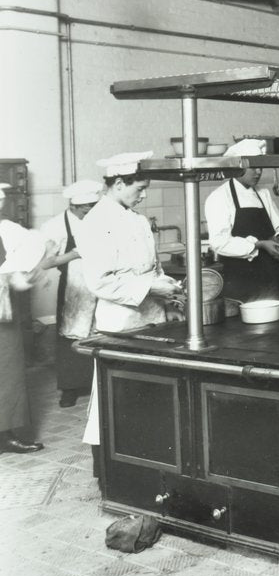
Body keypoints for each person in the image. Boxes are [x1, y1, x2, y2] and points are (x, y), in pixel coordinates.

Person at [78, 152, 183, 451]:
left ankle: (151, 457)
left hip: (152, 318)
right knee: (119, 399)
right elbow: (101, 282)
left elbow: (155, 267)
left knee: (152, 394)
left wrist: (171, 302)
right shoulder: (96, 222)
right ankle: (115, 467)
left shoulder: (137, 219)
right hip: (121, 323)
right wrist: (151, 287)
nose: (145, 195)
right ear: (120, 183)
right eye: (140, 188)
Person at [204, 138, 279, 302]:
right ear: (238, 166)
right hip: (241, 282)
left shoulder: (263, 193)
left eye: (260, 167)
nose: (258, 172)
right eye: (253, 167)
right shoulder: (219, 197)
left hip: (271, 278)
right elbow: (219, 242)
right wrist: (259, 244)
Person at [40, 179, 104, 407]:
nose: (92, 211)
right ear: (74, 206)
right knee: (71, 337)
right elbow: (45, 263)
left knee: (101, 333)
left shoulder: (98, 220)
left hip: (101, 285)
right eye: (88, 207)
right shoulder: (56, 226)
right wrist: (75, 254)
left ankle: (100, 385)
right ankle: (70, 389)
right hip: (74, 288)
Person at [0, 182, 46, 454]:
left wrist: (21, 275)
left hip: (3, 314)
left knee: (7, 373)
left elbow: (26, 259)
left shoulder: (7, 230)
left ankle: (6, 435)